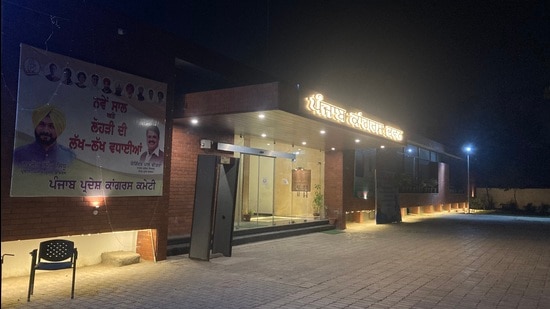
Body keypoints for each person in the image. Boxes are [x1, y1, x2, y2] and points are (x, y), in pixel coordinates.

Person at [13, 104, 76, 173]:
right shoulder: (18, 154)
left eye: (51, 126)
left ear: (59, 129)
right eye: (41, 124)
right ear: (35, 125)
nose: (45, 130)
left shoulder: (69, 156)